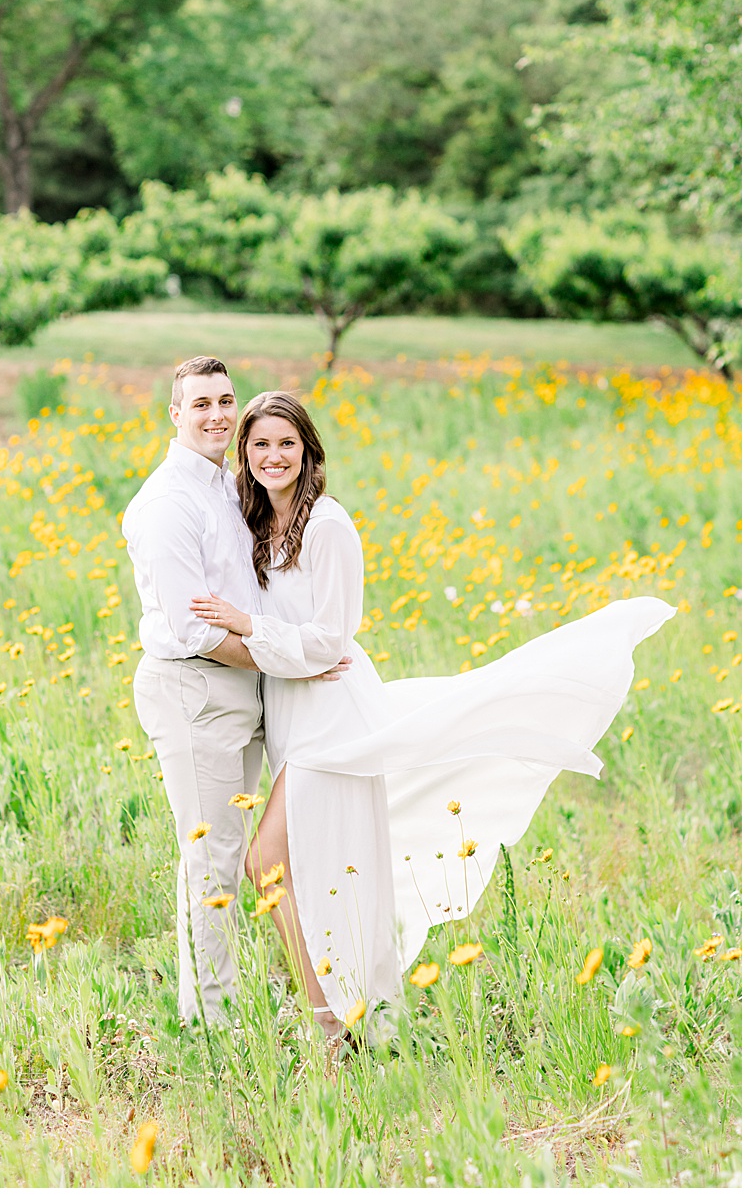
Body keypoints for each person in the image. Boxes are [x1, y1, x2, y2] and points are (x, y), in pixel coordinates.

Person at [190, 390, 674, 1041]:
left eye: (286, 443)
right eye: (260, 445)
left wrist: (250, 627)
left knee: (266, 860)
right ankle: (343, 1007)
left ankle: (327, 1019)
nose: (273, 456)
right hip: (293, 717)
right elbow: (290, 633)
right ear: (244, 456)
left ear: (308, 452)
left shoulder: (327, 525)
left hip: (331, 715)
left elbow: (331, 639)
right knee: (315, 864)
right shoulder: (258, 527)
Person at [120, 355, 273, 1026]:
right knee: (210, 858)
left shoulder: (221, 485)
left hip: (239, 684)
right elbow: (193, 629)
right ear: (175, 414)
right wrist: (285, 662)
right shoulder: (165, 504)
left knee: (228, 854)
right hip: (196, 688)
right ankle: (210, 1023)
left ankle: (217, 1006)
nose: (217, 414)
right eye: (201, 403)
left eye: (226, 400)